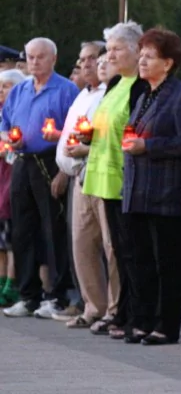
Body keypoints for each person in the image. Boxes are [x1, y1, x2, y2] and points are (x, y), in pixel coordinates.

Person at [122, 28, 181, 345]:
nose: (141, 60)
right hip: (137, 191)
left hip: (165, 193)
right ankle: (142, 320)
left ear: (167, 63)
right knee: (139, 260)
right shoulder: (144, 95)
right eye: (140, 54)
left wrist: (149, 146)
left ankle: (166, 325)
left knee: (165, 261)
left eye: (149, 56)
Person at [1, 38, 79, 318]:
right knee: (22, 229)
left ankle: (56, 295)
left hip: (51, 160)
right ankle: (27, 294)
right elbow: (5, 122)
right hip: (22, 161)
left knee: (53, 229)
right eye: (30, 57)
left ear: (53, 59)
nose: (34, 62)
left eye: (40, 57)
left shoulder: (67, 90)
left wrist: (62, 171)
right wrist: (9, 139)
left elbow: (75, 130)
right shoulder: (20, 89)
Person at [82, 21, 145, 340]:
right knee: (119, 250)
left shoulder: (140, 87)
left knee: (128, 250)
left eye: (118, 48)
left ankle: (132, 313)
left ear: (137, 50)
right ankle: (120, 311)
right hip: (102, 175)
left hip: (124, 177)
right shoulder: (115, 84)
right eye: (109, 49)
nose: (111, 55)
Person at [53, 41, 114, 328]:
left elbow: (110, 139)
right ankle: (93, 306)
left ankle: (114, 307)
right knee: (81, 244)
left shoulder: (108, 94)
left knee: (110, 244)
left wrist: (86, 150)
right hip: (78, 176)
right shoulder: (82, 95)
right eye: (82, 59)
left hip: (100, 172)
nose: (86, 64)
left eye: (92, 58)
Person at [0, 69, 25, 306]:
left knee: (11, 238)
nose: (1, 91)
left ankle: (12, 283)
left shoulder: (20, 111)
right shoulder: (2, 115)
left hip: (11, 178)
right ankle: (1, 280)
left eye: (6, 86)